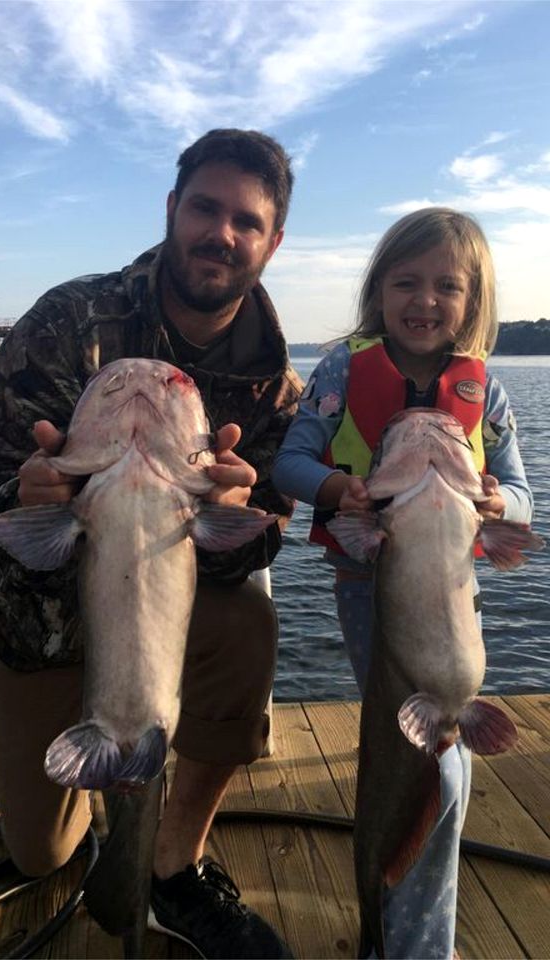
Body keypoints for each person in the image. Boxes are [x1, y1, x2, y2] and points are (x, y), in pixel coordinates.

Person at [0, 129, 302, 958]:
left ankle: (173, 864)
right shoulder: (65, 320)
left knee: (252, 617)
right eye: (205, 207)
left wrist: (234, 511)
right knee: (39, 854)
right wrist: (29, 492)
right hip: (43, 619)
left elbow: (260, 545)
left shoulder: (275, 385)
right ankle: (92, 784)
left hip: (173, 614)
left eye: (246, 221)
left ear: (273, 242)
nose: (221, 232)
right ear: (171, 209)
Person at [273, 207, 531, 959]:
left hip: (452, 592)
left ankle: (407, 935)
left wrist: (496, 503)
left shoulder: (488, 392)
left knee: (437, 768)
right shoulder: (340, 371)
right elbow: (291, 462)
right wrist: (336, 492)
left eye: (446, 286)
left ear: (472, 299)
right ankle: (414, 942)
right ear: (378, 291)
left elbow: (521, 493)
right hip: (369, 585)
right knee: (431, 766)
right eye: (406, 283)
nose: (425, 301)